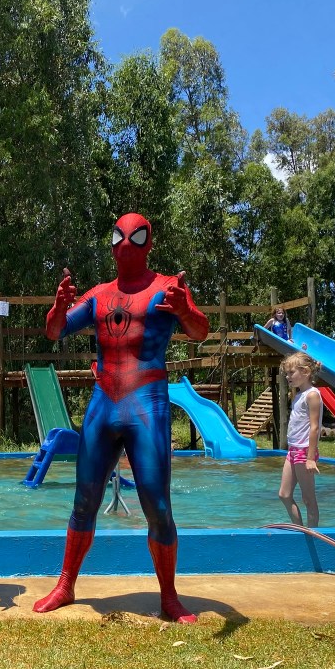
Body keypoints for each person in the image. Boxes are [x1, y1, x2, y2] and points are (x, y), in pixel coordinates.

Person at [33, 212, 209, 623]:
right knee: (84, 500)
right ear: (112, 243)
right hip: (103, 404)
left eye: (136, 236)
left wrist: (185, 309)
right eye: (119, 236)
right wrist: (57, 307)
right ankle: (65, 584)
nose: (126, 243)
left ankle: (169, 596)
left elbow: (200, 332)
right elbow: (55, 332)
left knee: (157, 503)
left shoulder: (167, 287)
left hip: (146, 403)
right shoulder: (98, 294)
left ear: (149, 242)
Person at [277, 352, 323, 527]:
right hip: (293, 450)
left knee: (308, 499)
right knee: (284, 494)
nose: (288, 377)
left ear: (306, 372)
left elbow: (314, 427)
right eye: (286, 373)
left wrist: (310, 458)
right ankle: (300, 532)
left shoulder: (312, 395)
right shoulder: (299, 395)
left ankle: (313, 535)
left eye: (291, 373)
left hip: (304, 452)